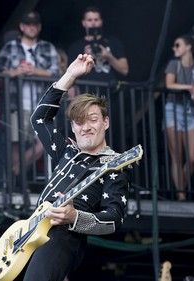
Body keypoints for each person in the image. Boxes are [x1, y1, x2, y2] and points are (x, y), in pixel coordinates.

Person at [16, 54, 130, 280]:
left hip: (64, 236)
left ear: (105, 122)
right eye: (79, 122)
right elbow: (39, 118)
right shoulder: (66, 150)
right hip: (31, 232)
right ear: (73, 127)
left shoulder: (115, 164)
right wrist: (70, 75)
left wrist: (74, 217)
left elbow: (113, 220)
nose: (85, 127)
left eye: (93, 119)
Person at [0, 10, 59, 177]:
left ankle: (13, 173)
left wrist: (35, 71)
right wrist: (17, 72)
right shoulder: (11, 47)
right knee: (16, 142)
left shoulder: (47, 47)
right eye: (28, 24)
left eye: (34, 24)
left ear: (39, 27)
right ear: (22, 27)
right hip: (15, 103)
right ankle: (19, 186)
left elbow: (57, 74)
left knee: (45, 142)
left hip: (42, 104)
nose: (31, 27)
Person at [164, 34, 194, 201]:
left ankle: (180, 186)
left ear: (188, 47)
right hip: (173, 109)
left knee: (191, 158)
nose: (174, 48)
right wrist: (191, 87)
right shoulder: (173, 64)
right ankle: (181, 193)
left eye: (177, 45)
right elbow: (169, 84)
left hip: (191, 110)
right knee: (177, 155)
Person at [67, 6, 129, 86]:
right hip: (87, 93)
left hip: (111, 92)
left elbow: (125, 70)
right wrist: (84, 59)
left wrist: (108, 56)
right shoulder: (76, 47)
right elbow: (70, 75)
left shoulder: (113, 41)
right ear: (84, 23)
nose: (93, 23)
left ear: (101, 22)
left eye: (96, 20)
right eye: (89, 20)